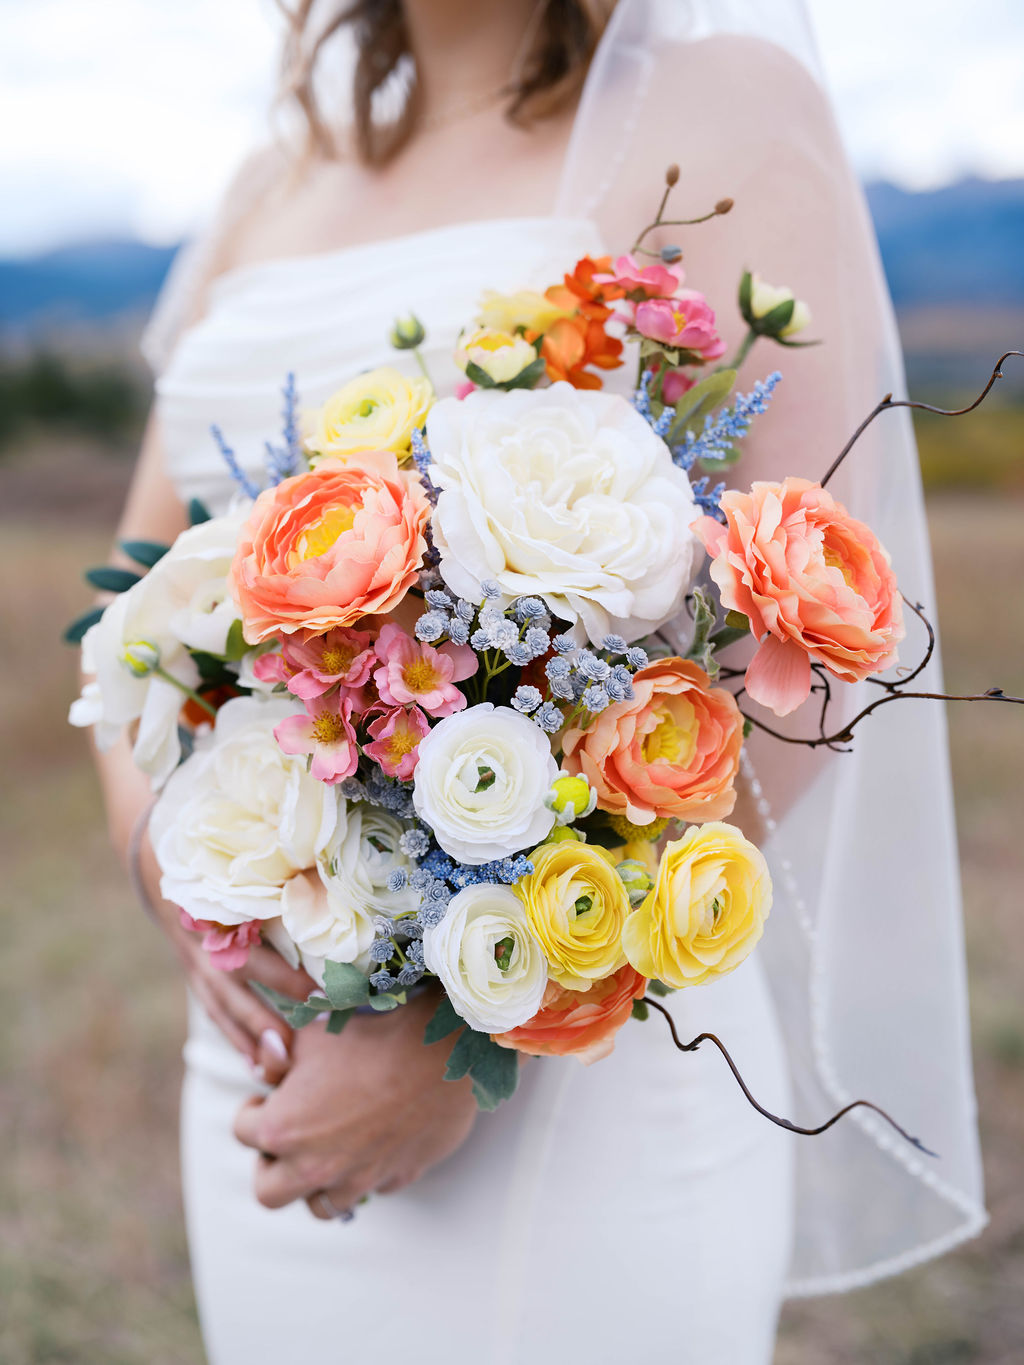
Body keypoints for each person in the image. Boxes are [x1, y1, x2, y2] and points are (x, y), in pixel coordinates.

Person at [91, 1, 985, 1360]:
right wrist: (163, 848)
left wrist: (453, 1036)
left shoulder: (719, 105)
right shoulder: (273, 177)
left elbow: (798, 660)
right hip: (265, 1053)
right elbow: (135, 610)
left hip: (569, 1062)